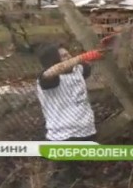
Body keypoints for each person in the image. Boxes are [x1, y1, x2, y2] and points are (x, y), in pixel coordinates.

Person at [36, 43, 104, 186]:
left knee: (83, 175)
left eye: (69, 54)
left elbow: (89, 63)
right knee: (64, 179)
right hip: (63, 137)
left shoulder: (78, 69)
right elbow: (51, 72)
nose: (70, 58)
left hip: (86, 132)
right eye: (64, 56)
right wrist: (83, 56)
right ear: (53, 61)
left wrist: (102, 49)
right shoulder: (48, 79)